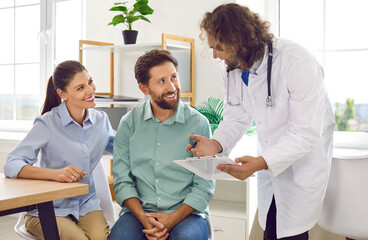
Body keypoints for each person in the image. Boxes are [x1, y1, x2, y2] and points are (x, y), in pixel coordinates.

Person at [187, 3, 335, 240]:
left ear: (238, 40)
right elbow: (236, 116)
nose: (215, 55)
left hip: (301, 161)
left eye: (219, 47)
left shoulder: (297, 61)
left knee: (292, 234)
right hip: (270, 161)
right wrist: (215, 144)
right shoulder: (232, 69)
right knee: (272, 230)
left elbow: (305, 133)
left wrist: (261, 162)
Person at [109, 49, 215, 240]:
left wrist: (172, 219)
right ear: (144, 89)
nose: (172, 87)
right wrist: (143, 218)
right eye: (161, 81)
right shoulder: (128, 123)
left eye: (173, 77)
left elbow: (204, 185)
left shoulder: (198, 124)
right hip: (139, 213)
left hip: (186, 213)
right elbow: (123, 181)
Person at [4, 60, 115, 240]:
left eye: (90, 81)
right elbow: (12, 164)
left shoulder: (101, 121)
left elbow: (124, 148)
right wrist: (55, 174)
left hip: (86, 204)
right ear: (63, 94)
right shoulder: (47, 123)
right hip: (47, 208)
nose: (90, 90)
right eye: (80, 88)